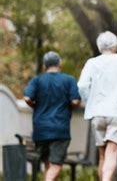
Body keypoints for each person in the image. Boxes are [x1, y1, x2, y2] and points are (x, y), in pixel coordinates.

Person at [77, 31, 117, 181]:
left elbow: (82, 86)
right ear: (115, 46)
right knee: (112, 153)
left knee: (102, 156)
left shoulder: (92, 63)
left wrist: (89, 99)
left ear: (99, 47)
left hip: (97, 112)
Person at [24, 51, 81, 181]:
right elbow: (75, 101)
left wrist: (35, 106)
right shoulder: (68, 80)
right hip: (59, 129)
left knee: (47, 164)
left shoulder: (37, 80)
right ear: (59, 64)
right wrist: (69, 106)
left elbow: (27, 97)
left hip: (41, 129)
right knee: (56, 165)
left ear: (45, 66)